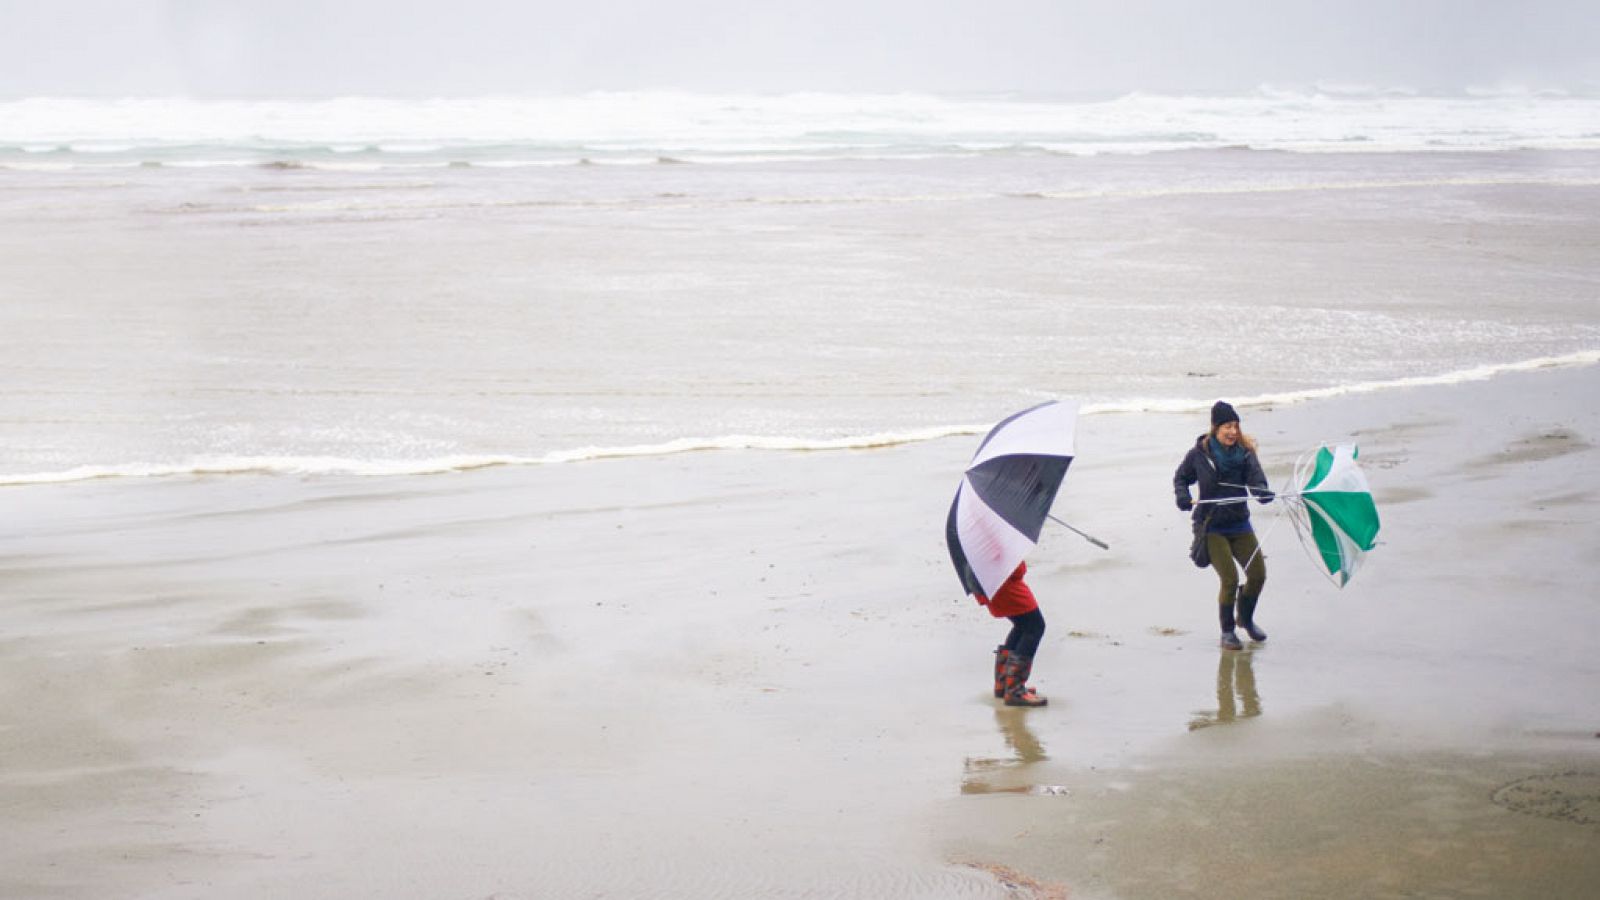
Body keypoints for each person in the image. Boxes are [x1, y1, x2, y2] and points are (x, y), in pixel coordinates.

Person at [1173, 401, 1274, 650]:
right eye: (1227, 426)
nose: (1232, 432)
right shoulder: (1199, 454)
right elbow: (1181, 478)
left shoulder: (1246, 453)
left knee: (1258, 575)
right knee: (1229, 579)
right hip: (1211, 526)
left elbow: (1257, 481)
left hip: (1239, 524)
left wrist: (1262, 492)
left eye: (1236, 426)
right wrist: (1182, 497)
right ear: (1216, 428)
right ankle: (1227, 632)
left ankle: (1245, 618)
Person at [976, 562, 1048, 707]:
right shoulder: (997, 541)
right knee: (1035, 627)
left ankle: (1003, 684)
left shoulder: (978, 547)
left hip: (989, 587)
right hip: (1005, 587)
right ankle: (1014, 690)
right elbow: (1017, 570)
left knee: (1022, 625)